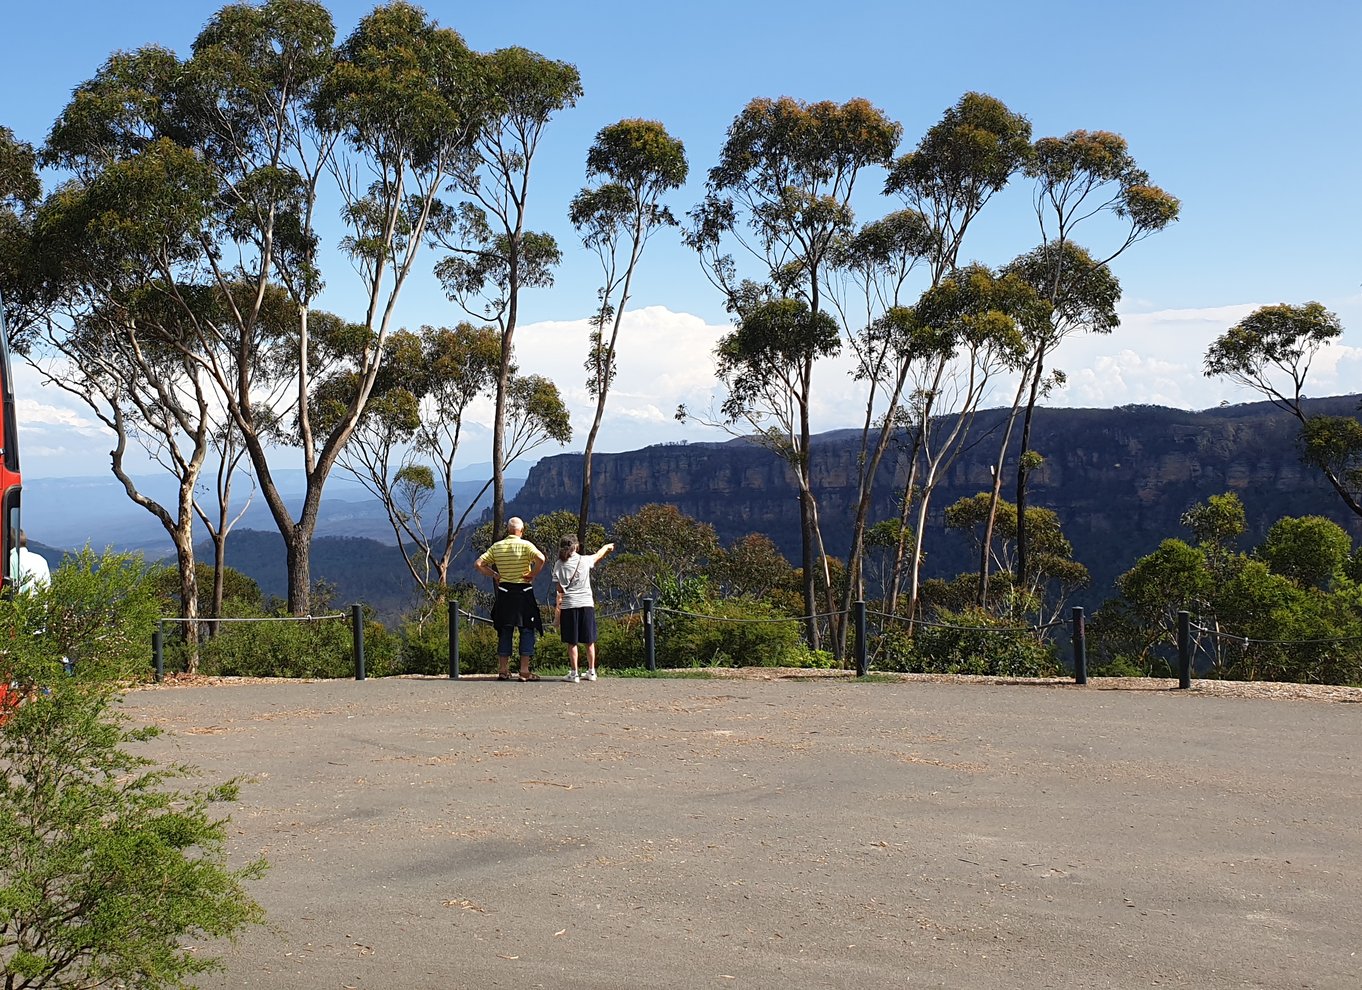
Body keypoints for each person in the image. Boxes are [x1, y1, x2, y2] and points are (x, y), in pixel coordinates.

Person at [475, 517, 546, 682]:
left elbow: (478, 564)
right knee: (527, 629)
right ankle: (524, 670)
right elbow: (541, 559)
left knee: (505, 629)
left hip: (505, 593)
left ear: (508, 530)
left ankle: (503, 670)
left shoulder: (497, 546)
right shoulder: (526, 545)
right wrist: (532, 574)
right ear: (522, 530)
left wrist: (494, 575)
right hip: (524, 592)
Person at [552, 535, 615, 683]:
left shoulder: (559, 564)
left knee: (572, 642)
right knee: (589, 640)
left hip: (569, 606)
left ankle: (574, 673)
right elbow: (598, 555)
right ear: (576, 547)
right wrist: (607, 547)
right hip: (586, 604)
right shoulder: (584, 560)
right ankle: (591, 671)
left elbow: (560, 589)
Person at [13, 530, 51, 595]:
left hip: (20, 603)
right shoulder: (41, 560)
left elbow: (10, 589)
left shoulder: (12, 560)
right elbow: (47, 588)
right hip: (41, 603)